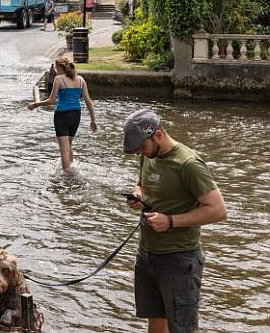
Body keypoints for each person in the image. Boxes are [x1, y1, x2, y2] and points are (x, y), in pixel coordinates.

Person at [121, 109, 227, 333]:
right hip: (147, 254)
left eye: (142, 146)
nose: (141, 152)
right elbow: (141, 184)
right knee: (155, 321)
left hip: (179, 259)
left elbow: (218, 210)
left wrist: (170, 221)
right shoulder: (149, 155)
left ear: (158, 134)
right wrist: (139, 196)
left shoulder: (188, 164)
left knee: (183, 328)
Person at [27, 57, 97, 171]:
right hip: (76, 115)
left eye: (56, 68)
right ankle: (71, 169)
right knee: (69, 146)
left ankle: (66, 177)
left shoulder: (59, 79)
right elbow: (88, 101)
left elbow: (51, 100)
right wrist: (93, 120)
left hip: (62, 115)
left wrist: (35, 104)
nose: (55, 70)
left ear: (60, 67)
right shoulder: (80, 80)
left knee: (64, 149)